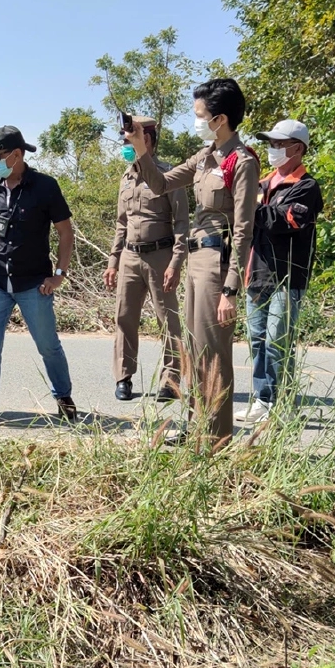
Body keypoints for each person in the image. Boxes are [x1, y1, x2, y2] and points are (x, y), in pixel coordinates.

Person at [123, 79, 259, 445]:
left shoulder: (241, 161)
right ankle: (198, 428)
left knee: (214, 352)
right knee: (197, 350)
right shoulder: (205, 156)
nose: (196, 121)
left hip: (218, 261)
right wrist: (139, 148)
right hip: (197, 261)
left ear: (220, 119)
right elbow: (160, 184)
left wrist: (231, 288)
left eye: (200, 115)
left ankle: (216, 439)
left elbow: (245, 230)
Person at [0, 125, 76, 427]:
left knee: (48, 345)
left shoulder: (45, 186)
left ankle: (64, 397)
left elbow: (65, 233)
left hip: (34, 284)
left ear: (16, 154)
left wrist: (59, 275)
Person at [240, 119, 325, 423]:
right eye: (271, 144)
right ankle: (264, 399)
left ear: (297, 148)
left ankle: (280, 401)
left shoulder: (306, 187)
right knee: (257, 339)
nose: (272, 149)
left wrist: (250, 205)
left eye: (278, 144)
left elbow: (286, 221)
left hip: (288, 275)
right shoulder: (262, 184)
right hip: (258, 273)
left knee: (278, 339)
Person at [105, 114, 187, 404]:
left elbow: (181, 224)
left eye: (129, 139)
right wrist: (113, 261)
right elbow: (121, 223)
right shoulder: (125, 178)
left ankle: (171, 380)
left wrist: (176, 263)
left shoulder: (169, 175)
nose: (124, 145)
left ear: (147, 139)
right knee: (124, 318)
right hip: (130, 256)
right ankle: (124, 376)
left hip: (160, 257)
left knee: (168, 321)